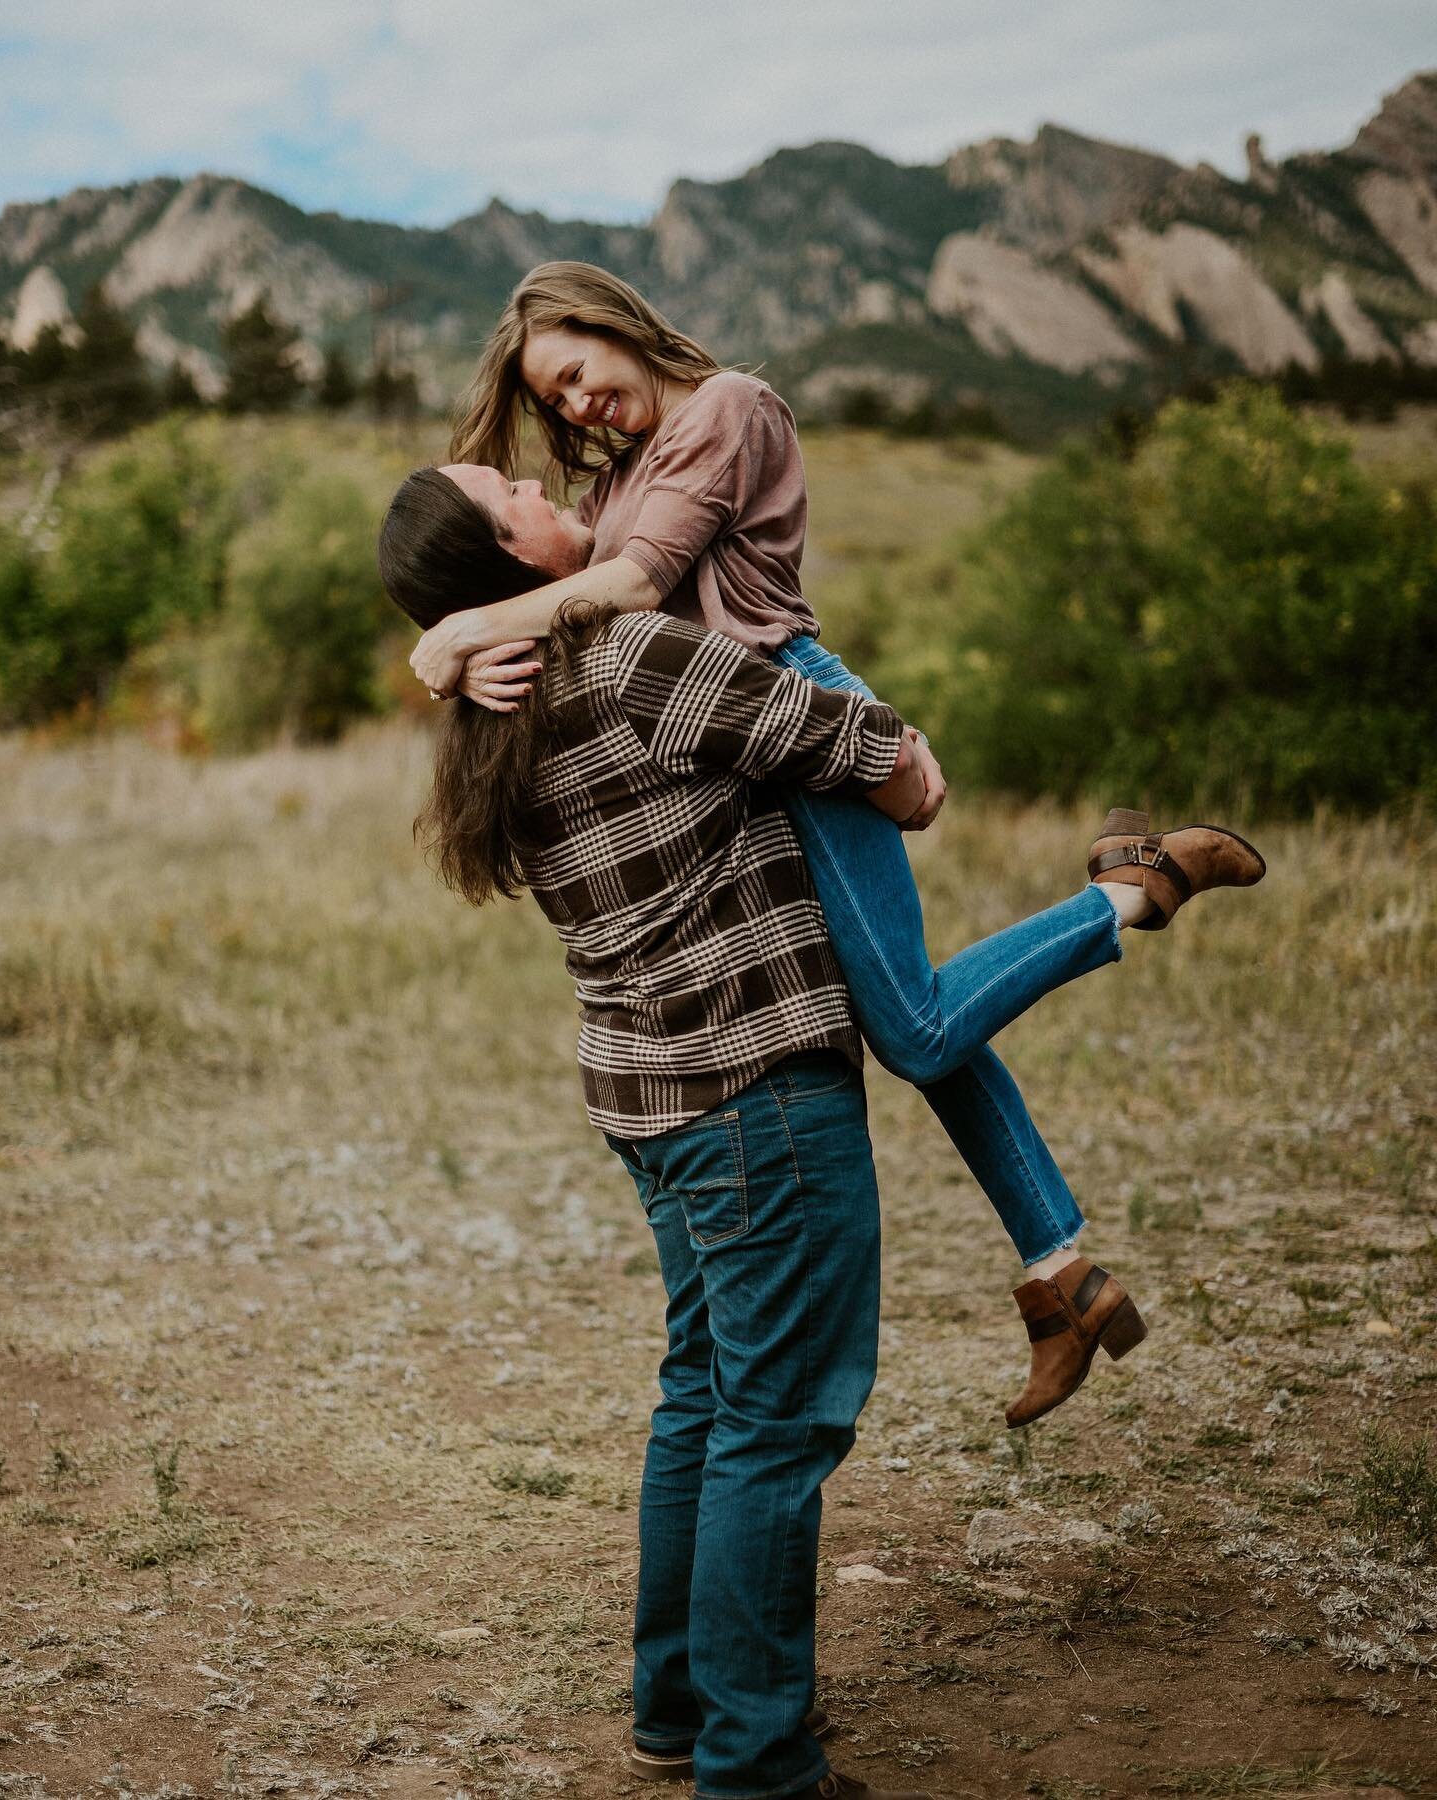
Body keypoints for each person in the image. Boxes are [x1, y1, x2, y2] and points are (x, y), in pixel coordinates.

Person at [404, 261, 1266, 1427]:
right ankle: (1062, 1274)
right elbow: (562, 578)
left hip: (787, 710)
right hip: (730, 733)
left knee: (909, 1024)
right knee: (914, 1015)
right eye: (553, 404)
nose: (574, 410)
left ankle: (1134, 888)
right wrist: (457, 640)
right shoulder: (623, 478)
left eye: (576, 375)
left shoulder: (725, 410)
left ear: (612, 326)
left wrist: (458, 635)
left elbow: (640, 582)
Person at [380, 471, 940, 1799]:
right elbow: (863, 746)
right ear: (508, 558)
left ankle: (680, 1709)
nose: (538, 477)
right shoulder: (629, 654)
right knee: (776, 1418)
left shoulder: (495, 715)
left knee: (707, 1396)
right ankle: (755, 1765)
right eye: (510, 489)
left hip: (653, 1099)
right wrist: (909, 757)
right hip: (756, 1090)